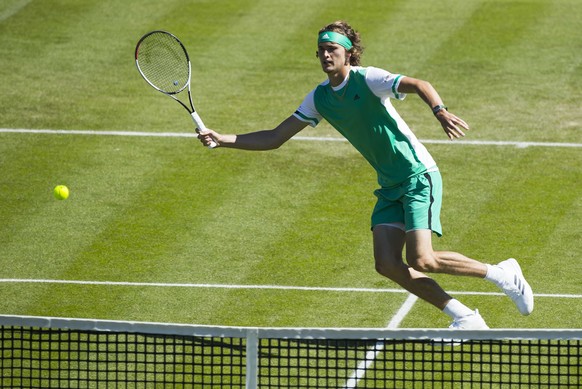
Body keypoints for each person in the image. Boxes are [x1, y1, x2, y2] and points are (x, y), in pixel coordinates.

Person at [197, 20, 534, 329]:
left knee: (422, 258)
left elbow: (419, 83)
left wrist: (440, 111)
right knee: (387, 263)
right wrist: (223, 139)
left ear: (348, 54)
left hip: (417, 175)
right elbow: (275, 137)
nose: (326, 55)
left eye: (333, 49)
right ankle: (464, 317)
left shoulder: (367, 78)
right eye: (322, 50)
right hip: (390, 185)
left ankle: (501, 274)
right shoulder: (320, 98)